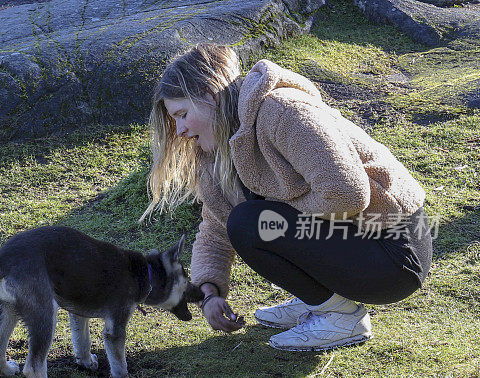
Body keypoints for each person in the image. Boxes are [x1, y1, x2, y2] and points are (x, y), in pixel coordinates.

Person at [141, 43, 432, 351]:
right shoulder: (216, 155)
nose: (181, 130)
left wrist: (272, 211)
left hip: (394, 252)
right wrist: (208, 294)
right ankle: (318, 301)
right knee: (249, 221)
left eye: (183, 114)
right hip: (356, 244)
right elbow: (216, 229)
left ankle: (342, 317)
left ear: (210, 96)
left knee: (252, 221)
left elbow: (347, 193)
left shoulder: (281, 112)